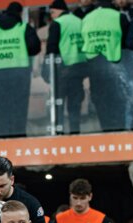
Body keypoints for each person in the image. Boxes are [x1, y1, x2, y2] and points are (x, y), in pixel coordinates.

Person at [0, 2, 41, 137]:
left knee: (0, 109)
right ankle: (18, 138)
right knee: (19, 108)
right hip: (19, 74)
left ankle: (3, 139)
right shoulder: (23, 28)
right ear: (20, 13)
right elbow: (35, 47)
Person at [80, 0, 131, 131]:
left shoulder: (87, 18)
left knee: (102, 107)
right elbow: (127, 42)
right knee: (119, 107)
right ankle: (119, 138)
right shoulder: (119, 16)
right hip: (115, 67)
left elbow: (83, 43)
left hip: (95, 69)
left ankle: (108, 136)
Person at [45, 0, 88, 135]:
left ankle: (59, 133)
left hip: (62, 69)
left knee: (59, 104)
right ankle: (75, 132)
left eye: (52, 12)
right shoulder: (79, 21)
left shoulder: (58, 23)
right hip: (80, 67)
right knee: (75, 105)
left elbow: (51, 47)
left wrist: (47, 69)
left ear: (58, 10)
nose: (51, 16)